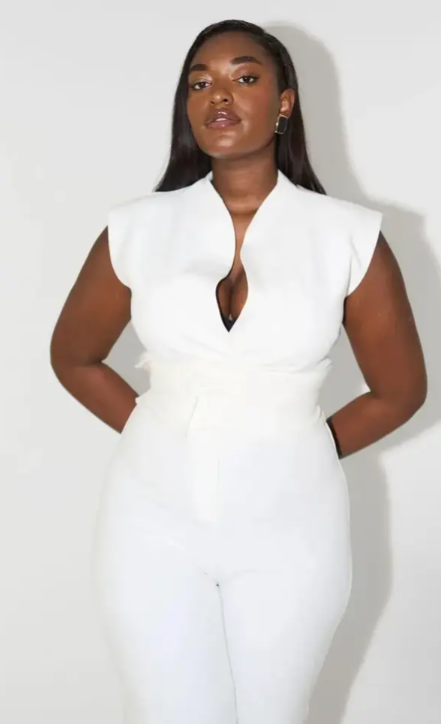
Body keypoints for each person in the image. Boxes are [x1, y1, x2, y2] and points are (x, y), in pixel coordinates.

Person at [50, 18, 427, 724]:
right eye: (200, 83)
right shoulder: (137, 227)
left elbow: (400, 391)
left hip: (294, 524)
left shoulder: (348, 235)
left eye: (243, 77)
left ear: (284, 102)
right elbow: (73, 356)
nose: (217, 95)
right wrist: (162, 431)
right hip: (149, 521)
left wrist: (299, 446)